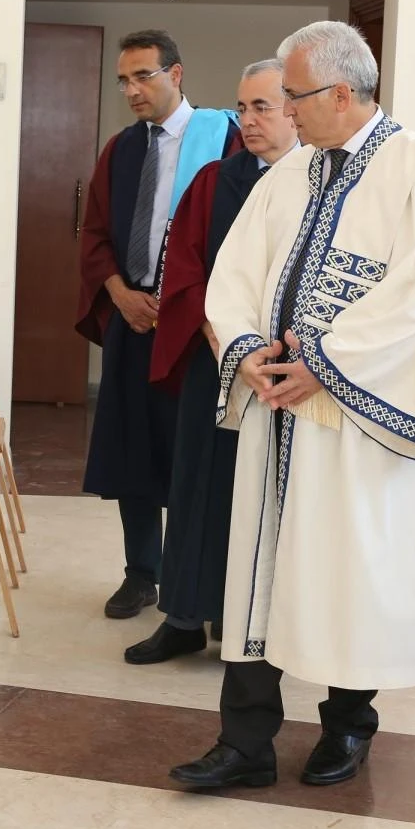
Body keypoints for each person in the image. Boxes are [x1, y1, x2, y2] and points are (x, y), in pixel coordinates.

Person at [170, 21, 415, 789]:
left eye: (295, 96)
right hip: (278, 407)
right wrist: (248, 351)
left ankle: (347, 726)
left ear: (342, 91)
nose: (285, 112)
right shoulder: (292, 171)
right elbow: (234, 271)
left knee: (347, 571)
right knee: (257, 569)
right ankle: (246, 743)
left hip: (358, 422)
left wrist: (327, 367)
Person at [125, 59, 299, 665]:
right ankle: (184, 616)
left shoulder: (322, 185)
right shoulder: (213, 181)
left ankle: (257, 622)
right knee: (201, 487)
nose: (247, 121)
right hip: (218, 362)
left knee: (274, 500)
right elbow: (186, 272)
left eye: (263, 108)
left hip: (291, 376)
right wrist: (223, 339)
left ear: (295, 109)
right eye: (242, 108)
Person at [76, 29, 241, 619]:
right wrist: (118, 293)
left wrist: (186, 306)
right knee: (132, 449)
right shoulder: (121, 151)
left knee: (190, 453)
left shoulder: (226, 141)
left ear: (176, 74)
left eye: (143, 76)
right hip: (133, 320)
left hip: (195, 329)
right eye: (124, 80)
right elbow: (94, 233)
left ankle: (189, 582)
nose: (131, 90)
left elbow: (242, 240)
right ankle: (140, 571)